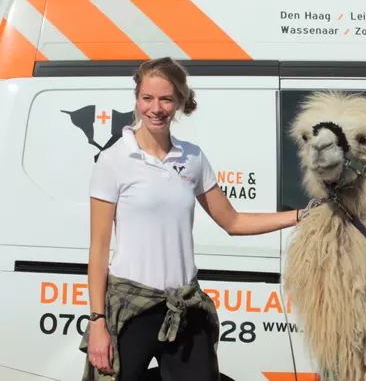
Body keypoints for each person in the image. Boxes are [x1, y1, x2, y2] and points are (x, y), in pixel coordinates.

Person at [80, 57, 303, 381]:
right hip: (131, 309)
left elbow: (234, 222)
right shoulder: (114, 161)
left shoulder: (193, 158)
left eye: (166, 99)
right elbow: (98, 249)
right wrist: (97, 321)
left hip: (183, 306)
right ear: (137, 100)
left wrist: (300, 216)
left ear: (180, 102)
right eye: (147, 98)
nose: (156, 108)